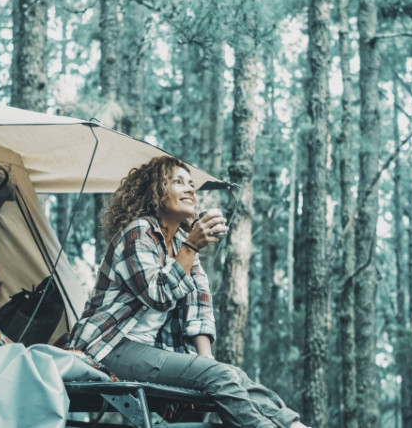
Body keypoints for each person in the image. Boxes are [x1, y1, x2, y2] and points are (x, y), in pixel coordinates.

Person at [66, 156, 308, 428]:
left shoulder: (182, 241)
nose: (191, 189)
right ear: (155, 193)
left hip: (150, 351)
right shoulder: (138, 234)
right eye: (178, 182)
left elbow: (199, 305)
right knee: (217, 375)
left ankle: (293, 425)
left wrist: (206, 359)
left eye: (192, 184)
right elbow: (157, 295)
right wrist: (191, 248)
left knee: (229, 373)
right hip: (110, 347)